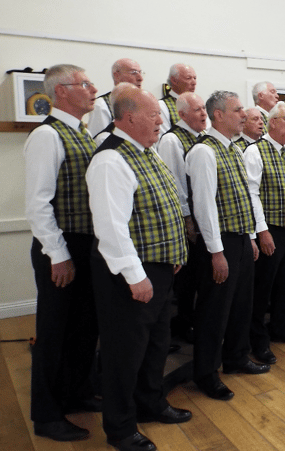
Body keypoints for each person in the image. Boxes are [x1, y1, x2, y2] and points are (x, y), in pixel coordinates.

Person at [87, 86, 192, 451]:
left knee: (156, 345)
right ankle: (120, 429)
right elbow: (111, 229)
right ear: (129, 118)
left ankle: (150, 403)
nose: (160, 120)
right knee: (123, 354)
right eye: (153, 115)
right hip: (132, 276)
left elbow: (162, 207)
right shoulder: (111, 160)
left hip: (159, 271)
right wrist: (136, 277)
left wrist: (174, 255)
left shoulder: (146, 152)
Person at [25, 64, 100, 443]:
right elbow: (38, 204)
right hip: (62, 245)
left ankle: (77, 392)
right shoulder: (47, 136)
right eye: (85, 83)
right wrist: (59, 253)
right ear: (62, 92)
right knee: (53, 333)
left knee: (84, 327)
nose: (93, 89)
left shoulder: (82, 134)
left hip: (86, 245)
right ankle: (48, 415)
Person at [185, 90, 268, 403]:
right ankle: (206, 374)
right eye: (237, 111)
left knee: (240, 306)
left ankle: (236, 357)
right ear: (218, 114)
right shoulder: (205, 152)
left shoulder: (233, 149)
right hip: (219, 243)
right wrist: (216, 252)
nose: (243, 116)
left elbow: (241, 197)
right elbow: (204, 206)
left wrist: (249, 238)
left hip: (239, 240)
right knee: (214, 312)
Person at [245, 102, 285, 365]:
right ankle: (258, 341)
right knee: (263, 290)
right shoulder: (255, 152)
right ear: (272, 122)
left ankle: (281, 330)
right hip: (271, 232)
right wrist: (262, 231)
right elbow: (252, 194)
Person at [156, 92, 208, 343]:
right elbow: (175, 182)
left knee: (201, 275)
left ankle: (197, 320)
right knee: (187, 279)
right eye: (197, 109)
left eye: (204, 109)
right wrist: (188, 219)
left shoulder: (203, 138)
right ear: (181, 114)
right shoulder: (172, 140)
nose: (203, 114)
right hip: (186, 219)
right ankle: (183, 324)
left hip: (203, 215)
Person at [88, 58, 143, 137]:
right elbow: (99, 142)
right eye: (134, 72)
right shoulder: (101, 105)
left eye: (140, 73)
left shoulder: (142, 104)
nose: (140, 78)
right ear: (116, 75)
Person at [159, 63, 197, 135]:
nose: (194, 83)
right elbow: (164, 138)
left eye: (195, 78)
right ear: (174, 80)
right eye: (188, 78)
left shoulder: (198, 104)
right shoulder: (162, 106)